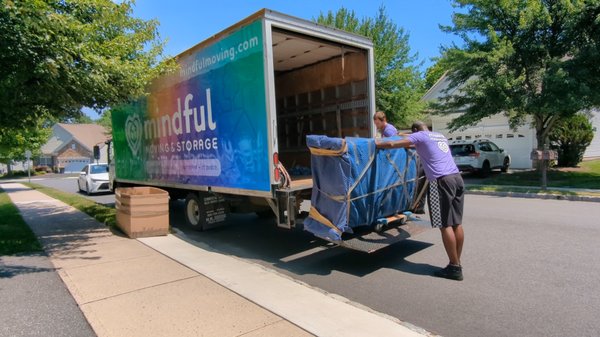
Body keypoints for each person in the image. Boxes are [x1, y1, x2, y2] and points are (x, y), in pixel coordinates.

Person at [376, 121, 465, 281]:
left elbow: (390, 143)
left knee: (444, 225)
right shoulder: (438, 135)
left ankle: (454, 267)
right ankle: (456, 263)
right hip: (457, 179)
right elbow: (409, 138)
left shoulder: (420, 136)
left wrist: (374, 143)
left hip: (440, 182)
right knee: (456, 223)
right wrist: (405, 135)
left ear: (416, 131)